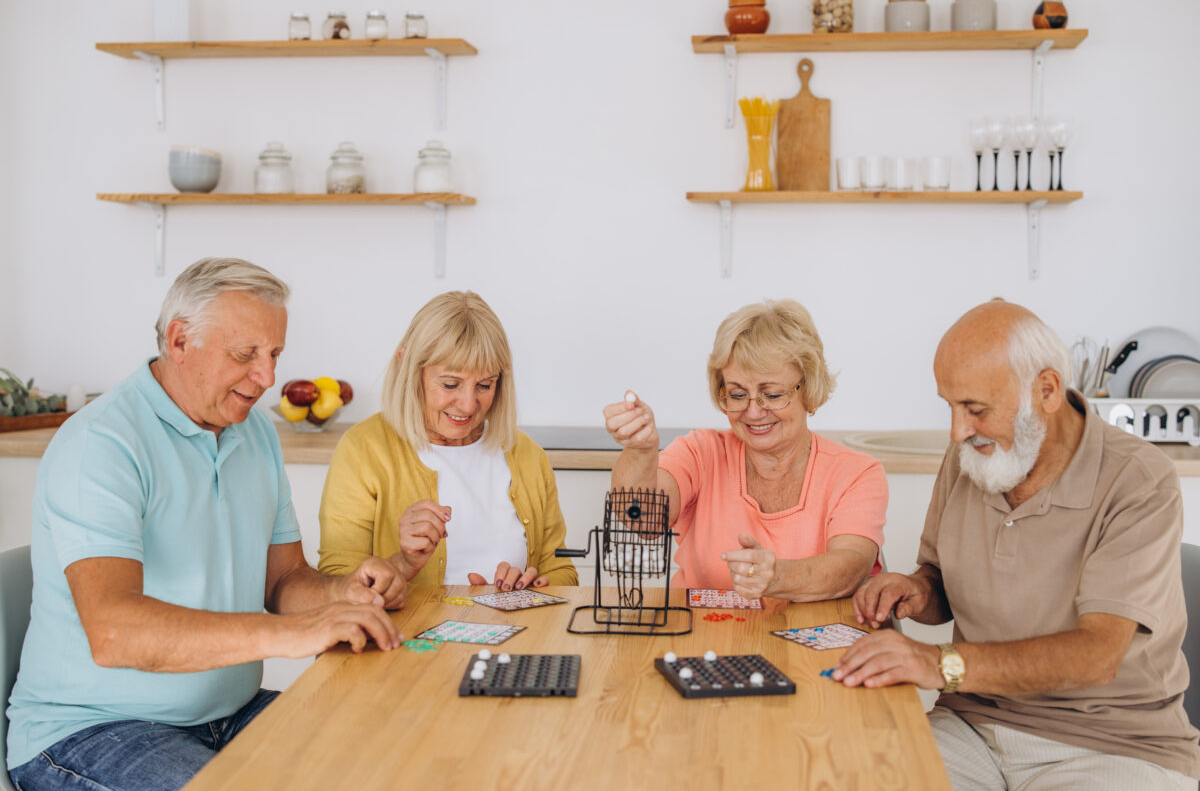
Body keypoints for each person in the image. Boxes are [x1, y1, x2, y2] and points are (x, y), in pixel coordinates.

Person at [5, 258, 408, 791]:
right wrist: (293, 633)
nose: (267, 378)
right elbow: (115, 632)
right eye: (246, 355)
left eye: (274, 355)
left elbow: (283, 582)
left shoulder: (255, 434)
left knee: (393, 761)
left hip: (228, 716)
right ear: (179, 341)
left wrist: (345, 595)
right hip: (91, 729)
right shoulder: (101, 444)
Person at [839, 301, 1200, 789]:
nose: (957, 430)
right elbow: (939, 577)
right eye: (950, 405)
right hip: (972, 723)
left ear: (1046, 390)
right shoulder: (971, 452)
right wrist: (917, 590)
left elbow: (1097, 655)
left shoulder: (1139, 479)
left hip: (1112, 744)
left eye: (976, 409)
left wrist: (937, 662)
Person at [602, 299, 887, 601]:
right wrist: (639, 451)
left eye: (772, 394)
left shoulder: (856, 473)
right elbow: (644, 519)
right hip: (702, 639)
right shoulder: (701, 452)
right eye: (738, 395)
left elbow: (852, 567)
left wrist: (777, 577)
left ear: (810, 388)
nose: (753, 412)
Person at [318, 291, 577, 591]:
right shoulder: (363, 450)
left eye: (485, 385)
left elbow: (561, 570)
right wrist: (401, 563)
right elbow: (337, 584)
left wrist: (531, 588)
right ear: (408, 369)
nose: (468, 405)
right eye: (450, 384)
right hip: (405, 638)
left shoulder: (527, 456)